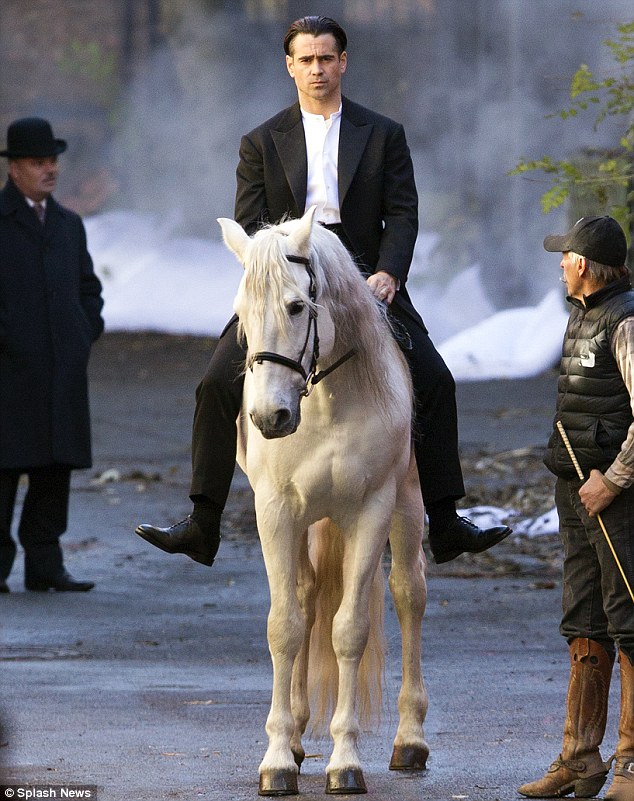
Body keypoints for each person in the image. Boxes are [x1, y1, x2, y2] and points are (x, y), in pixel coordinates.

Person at [136, 15, 511, 568]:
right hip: (289, 279)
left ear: (343, 62)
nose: (317, 69)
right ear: (290, 66)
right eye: (306, 60)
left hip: (363, 281)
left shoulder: (383, 134)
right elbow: (252, 226)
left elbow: (402, 214)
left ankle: (446, 519)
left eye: (326, 58)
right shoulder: (260, 141)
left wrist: (389, 272)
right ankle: (203, 520)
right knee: (216, 382)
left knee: (435, 378)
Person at [518, 216, 634, 801]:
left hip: (616, 497)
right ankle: (581, 760)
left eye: (565, 256)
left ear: (584, 264)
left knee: (630, 622)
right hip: (576, 493)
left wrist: (612, 482)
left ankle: (632, 767)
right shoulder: (582, 314)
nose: (560, 263)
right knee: (584, 621)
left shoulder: (626, 320)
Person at [0, 117, 104, 592]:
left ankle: (45, 565)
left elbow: (89, 289)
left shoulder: (68, 225)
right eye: (39, 162)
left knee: (52, 470)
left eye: (53, 161)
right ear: (15, 168)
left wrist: (83, 332)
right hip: (8, 375)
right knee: (3, 472)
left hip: (61, 372)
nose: (50, 170)